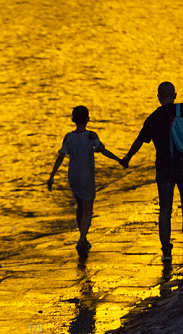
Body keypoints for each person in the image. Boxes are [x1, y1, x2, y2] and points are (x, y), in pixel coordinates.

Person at [122, 82, 183, 263]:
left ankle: (166, 251)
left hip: (163, 170)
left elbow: (139, 141)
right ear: (174, 95)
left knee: (165, 210)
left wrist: (127, 158)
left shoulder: (153, 118)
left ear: (158, 97)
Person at [47, 106, 123, 257]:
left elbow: (61, 156)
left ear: (73, 120)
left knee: (79, 207)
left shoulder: (68, 137)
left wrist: (51, 176)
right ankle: (81, 240)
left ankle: (84, 238)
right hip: (86, 176)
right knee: (88, 209)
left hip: (73, 176)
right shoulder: (90, 135)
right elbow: (102, 150)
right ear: (88, 119)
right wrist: (119, 160)